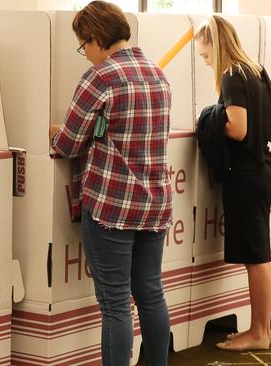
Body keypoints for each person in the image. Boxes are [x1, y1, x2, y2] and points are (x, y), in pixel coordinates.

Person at [49, 1, 172, 365]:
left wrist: (54, 132)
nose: (85, 54)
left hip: (112, 203)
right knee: (150, 292)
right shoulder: (156, 72)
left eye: (83, 45)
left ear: (97, 38)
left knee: (116, 303)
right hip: (155, 202)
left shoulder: (101, 77)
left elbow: (68, 143)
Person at [194, 15, 271, 351]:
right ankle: (263, 330)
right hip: (264, 167)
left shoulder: (231, 73)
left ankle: (258, 333)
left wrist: (207, 117)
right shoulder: (256, 70)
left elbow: (238, 128)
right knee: (261, 256)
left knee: (256, 258)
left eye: (205, 56)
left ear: (217, 46)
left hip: (246, 174)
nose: (205, 63)